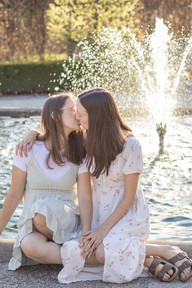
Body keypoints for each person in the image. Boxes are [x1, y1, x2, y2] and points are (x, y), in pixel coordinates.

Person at [16, 88, 192, 283]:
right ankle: (148, 262)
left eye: (80, 114)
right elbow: (55, 136)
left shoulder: (131, 145)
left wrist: (102, 231)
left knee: (100, 252)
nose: (77, 118)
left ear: (96, 115)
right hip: (99, 210)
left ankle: (164, 250)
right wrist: (32, 134)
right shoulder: (87, 138)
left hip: (126, 212)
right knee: (82, 249)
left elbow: (128, 197)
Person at [0, 92, 92, 270]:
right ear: (55, 116)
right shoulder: (28, 149)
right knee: (29, 246)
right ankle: (87, 258)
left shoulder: (81, 152)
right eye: (73, 109)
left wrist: (85, 234)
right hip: (35, 225)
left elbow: (85, 198)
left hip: (67, 221)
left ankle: (85, 253)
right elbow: (14, 195)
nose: (78, 114)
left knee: (41, 212)